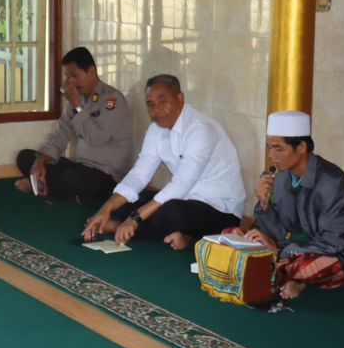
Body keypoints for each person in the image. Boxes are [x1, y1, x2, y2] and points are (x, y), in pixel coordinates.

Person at [81, 74, 247, 251]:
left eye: (162, 101)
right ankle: (178, 234)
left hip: (220, 208)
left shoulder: (201, 129)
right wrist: (105, 210)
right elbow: (139, 175)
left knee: (171, 212)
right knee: (124, 200)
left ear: (180, 99)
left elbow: (181, 184)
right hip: (184, 199)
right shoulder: (155, 129)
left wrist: (135, 218)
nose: (156, 109)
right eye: (150, 104)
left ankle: (120, 227)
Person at [241, 109, 344, 300]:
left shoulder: (333, 183)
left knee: (311, 265)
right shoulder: (280, 178)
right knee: (235, 235)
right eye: (269, 148)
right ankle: (288, 276)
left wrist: (280, 252)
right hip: (298, 249)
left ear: (301, 147)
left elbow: (332, 243)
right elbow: (279, 233)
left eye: (278, 149)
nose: (271, 155)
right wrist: (264, 205)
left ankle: (282, 274)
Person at [14, 47, 134, 203]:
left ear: (92, 71)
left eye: (75, 75)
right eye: (67, 76)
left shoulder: (111, 99)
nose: (70, 81)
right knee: (25, 157)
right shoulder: (77, 99)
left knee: (75, 179)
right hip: (80, 167)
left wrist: (77, 105)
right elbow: (59, 135)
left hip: (106, 173)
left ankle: (40, 186)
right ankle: (48, 186)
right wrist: (40, 161)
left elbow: (96, 138)